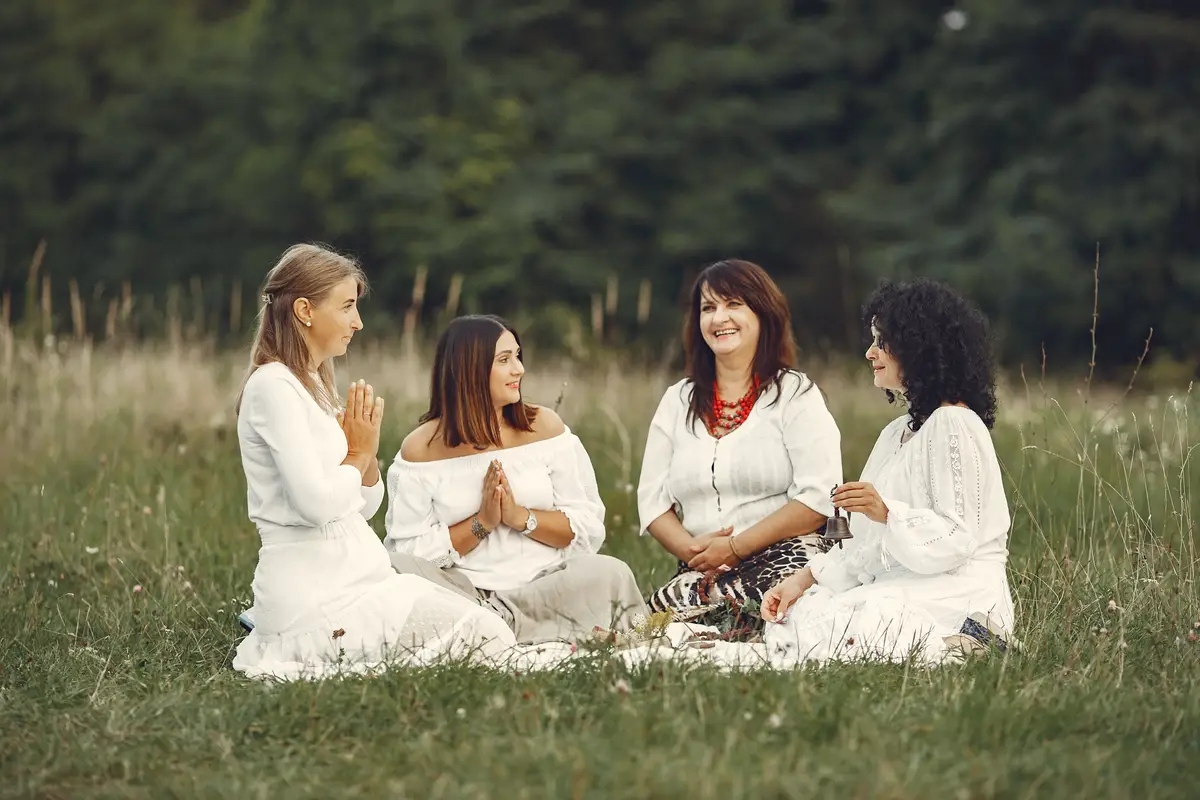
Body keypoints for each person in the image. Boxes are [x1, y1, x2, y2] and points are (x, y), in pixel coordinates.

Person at [231, 245, 515, 680]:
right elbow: (315, 505)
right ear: (305, 310)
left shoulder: (313, 385)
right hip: (317, 600)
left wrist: (366, 459)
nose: (358, 321)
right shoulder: (273, 387)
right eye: (347, 306)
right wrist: (357, 454)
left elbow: (363, 507)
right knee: (487, 639)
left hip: (359, 584)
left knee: (491, 635)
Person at [761, 278, 1015, 665]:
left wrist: (887, 512)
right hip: (906, 580)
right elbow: (865, 548)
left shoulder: (955, 424)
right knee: (802, 615)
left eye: (882, 341)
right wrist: (804, 579)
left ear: (918, 346)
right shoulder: (896, 434)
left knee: (857, 623)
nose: (870, 352)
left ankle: (973, 641)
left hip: (959, 590)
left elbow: (958, 537)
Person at [384, 315, 648, 642]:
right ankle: (501, 628)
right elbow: (411, 551)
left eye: (518, 356)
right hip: (465, 596)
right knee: (396, 568)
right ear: (469, 370)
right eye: (505, 360)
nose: (519, 369)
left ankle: (497, 632)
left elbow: (584, 527)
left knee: (611, 573)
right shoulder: (421, 449)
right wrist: (482, 523)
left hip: (545, 589)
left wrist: (518, 517)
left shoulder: (544, 428)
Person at [637, 259, 843, 637]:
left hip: (785, 557)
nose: (719, 318)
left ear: (764, 314)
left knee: (774, 616)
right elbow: (651, 502)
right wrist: (693, 553)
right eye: (708, 308)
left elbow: (818, 499)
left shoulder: (795, 394)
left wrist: (734, 547)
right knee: (647, 632)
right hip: (702, 570)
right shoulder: (677, 400)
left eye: (734, 304)